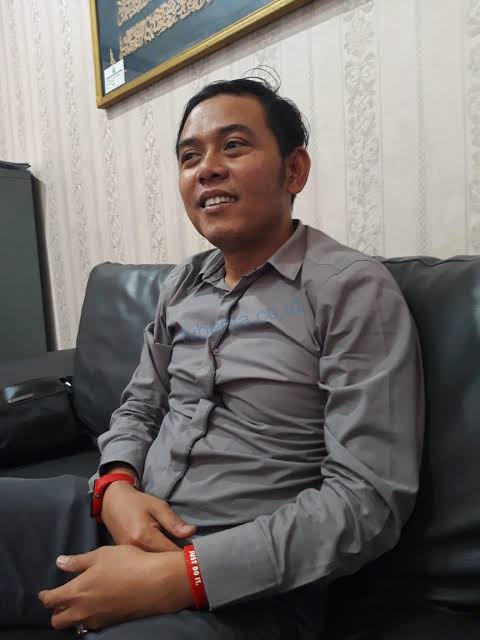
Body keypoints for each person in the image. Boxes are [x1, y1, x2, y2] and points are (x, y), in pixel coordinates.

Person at [0, 77, 424, 639]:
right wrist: (115, 485)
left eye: (234, 146)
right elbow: (139, 406)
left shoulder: (350, 290)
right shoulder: (181, 285)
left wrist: (181, 576)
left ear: (294, 170)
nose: (207, 169)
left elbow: (367, 501)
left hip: (244, 584)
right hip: (122, 519)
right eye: (189, 156)